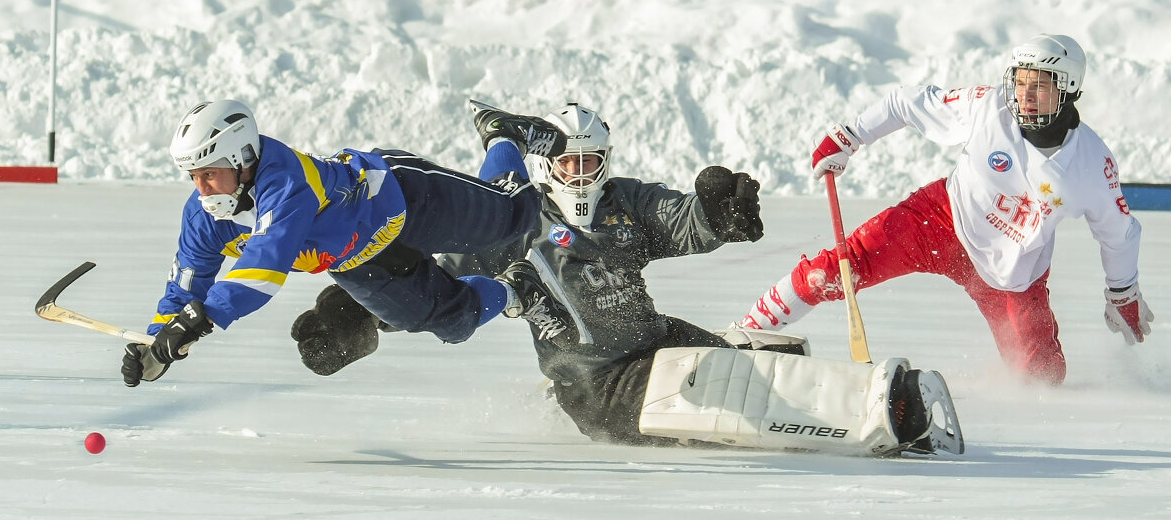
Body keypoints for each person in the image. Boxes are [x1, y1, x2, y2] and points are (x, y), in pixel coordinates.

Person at [293, 103, 963, 456]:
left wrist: (719, 211)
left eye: (593, 162)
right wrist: (350, 315)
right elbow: (427, 283)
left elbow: (681, 219)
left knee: (747, 368)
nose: (582, 176)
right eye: (570, 164)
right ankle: (877, 412)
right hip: (600, 386)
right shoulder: (507, 227)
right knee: (742, 393)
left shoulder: (623, 205)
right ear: (547, 167)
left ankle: (857, 403)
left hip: (654, 340)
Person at [740, 34, 1152, 385]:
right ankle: (744, 335)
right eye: (1021, 81)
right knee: (833, 272)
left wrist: (1123, 292)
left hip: (1012, 273)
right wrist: (849, 136)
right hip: (938, 221)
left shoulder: (1093, 164)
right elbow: (905, 103)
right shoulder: (988, 106)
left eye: (1040, 85)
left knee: (1042, 376)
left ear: (1069, 89)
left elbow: (1118, 234)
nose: (1025, 95)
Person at [120, 99, 579, 386]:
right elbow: (187, 282)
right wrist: (156, 338)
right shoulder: (202, 217)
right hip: (358, 260)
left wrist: (198, 322)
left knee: (515, 215)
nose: (202, 189)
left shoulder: (286, 184)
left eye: (210, 173)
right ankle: (520, 291)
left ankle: (504, 134)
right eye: (193, 176)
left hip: (404, 198)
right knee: (453, 323)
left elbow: (262, 270)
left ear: (243, 159)